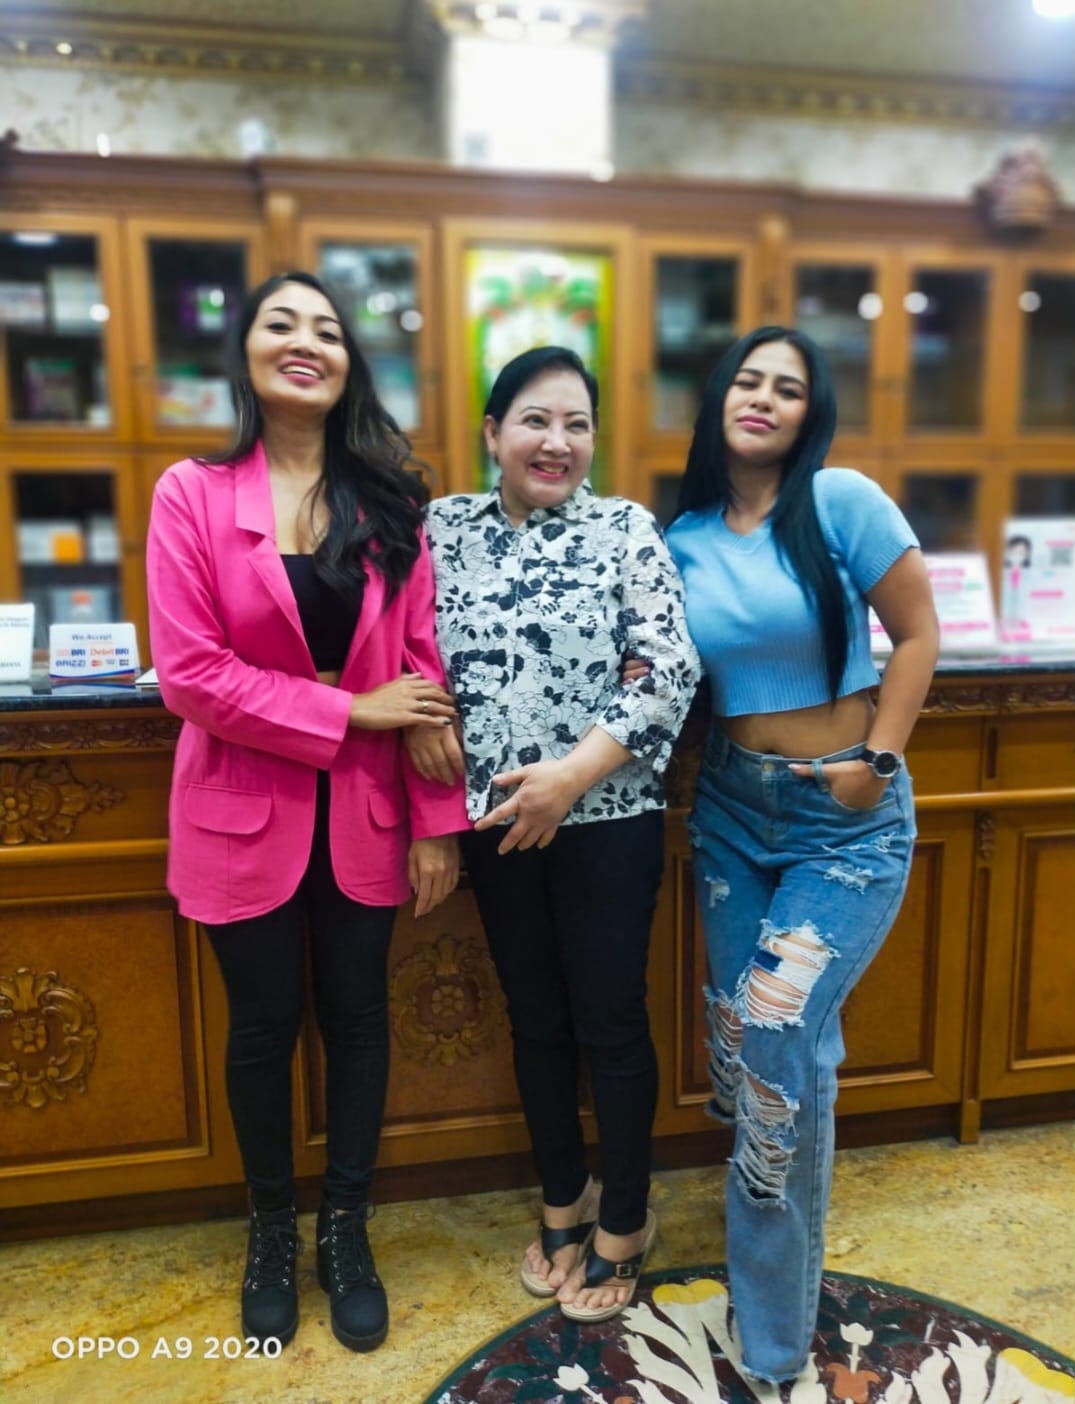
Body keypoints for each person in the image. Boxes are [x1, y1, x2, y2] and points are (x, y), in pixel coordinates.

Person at [145, 271, 466, 1354]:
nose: (305, 341)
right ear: (244, 352)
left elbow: (420, 670)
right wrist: (348, 709)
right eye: (280, 323)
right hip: (241, 814)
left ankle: (346, 1230)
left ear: (346, 365)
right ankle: (271, 1232)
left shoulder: (390, 506)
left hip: (366, 813)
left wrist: (436, 818)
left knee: (360, 1019)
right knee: (262, 1026)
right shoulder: (191, 494)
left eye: (326, 329)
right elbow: (190, 674)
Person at [665, 325, 940, 1385]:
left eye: (787, 388)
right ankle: (765, 1210)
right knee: (742, 1040)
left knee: (778, 1049)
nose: (764, 398)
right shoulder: (683, 536)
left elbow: (916, 634)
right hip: (734, 813)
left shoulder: (840, 502)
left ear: (806, 413)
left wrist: (878, 757)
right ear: (718, 399)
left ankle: (774, 1338)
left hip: (844, 821)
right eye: (748, 380)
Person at [412, 346, 700, 1323]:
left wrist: (570, 778)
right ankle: (561, 1198)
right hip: (495, 825)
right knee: (533, 1019)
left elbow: (667, 669)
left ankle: (624, 1217)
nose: (557, 441)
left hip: (605, 820)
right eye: (535, 419)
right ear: (492, 432)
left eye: (576, 425)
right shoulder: (442, 529)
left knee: (609, 1021)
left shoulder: (624, 530)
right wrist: (420, 717)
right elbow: (399, 645)